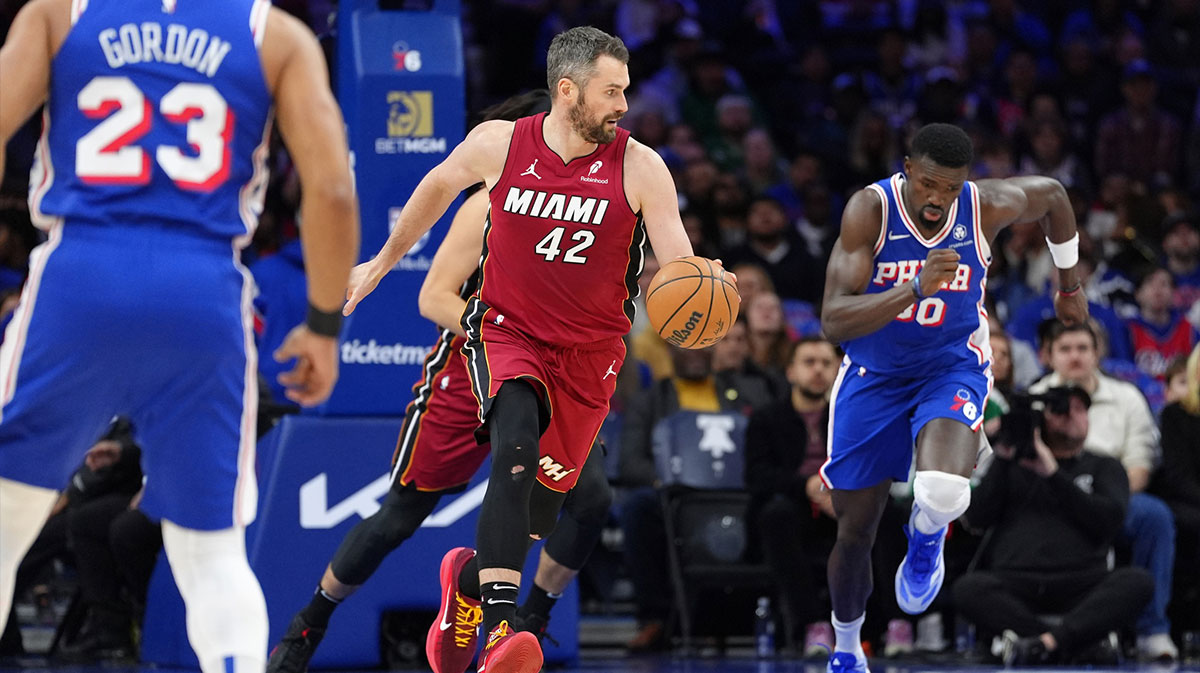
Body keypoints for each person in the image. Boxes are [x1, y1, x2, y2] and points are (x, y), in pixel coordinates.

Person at [0, 2, 359, 673]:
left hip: (80, 274)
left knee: (6, 519)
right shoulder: (275, 35)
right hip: (202, 288)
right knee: (210, 551)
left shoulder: (58, 13)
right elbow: (334, 191)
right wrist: (322, 328)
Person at [341, 26, 705, 673]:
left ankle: (467, 585)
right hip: (509, 332)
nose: (623, 105)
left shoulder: (642, 165)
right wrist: (381, 261)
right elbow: (436, 186)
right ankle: (504, 630)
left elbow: (677, 260)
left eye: (625, 90)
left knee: (541, 512)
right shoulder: (501, 144)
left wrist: (697, 298)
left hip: (588, 355)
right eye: (611, 91)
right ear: (568, 90)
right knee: (513, 445)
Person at [266, 90, 613, 673]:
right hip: (467, 367)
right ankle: (308, 624)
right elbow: (434, 298)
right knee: (400, 514)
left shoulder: (591, 203)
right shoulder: (486, 204)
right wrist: (511, 332)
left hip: (552, 371)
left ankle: (527, 617)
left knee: (591, 497)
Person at [819, 123, 1088, 673]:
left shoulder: (983, 207)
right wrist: (914, 288)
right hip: (874, 374)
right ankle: (846, 648)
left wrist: (1069, 285)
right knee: (855, 531)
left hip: (951, 366)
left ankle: (927, 538)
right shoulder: (870, 211)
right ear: (907, 171)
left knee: (942, 491)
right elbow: (833, 319)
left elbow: (1055, 197)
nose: (938, 198)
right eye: (928, 184)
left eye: (950, 187)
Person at [953, 387, 1153, 665]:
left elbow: (1109, 522)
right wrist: (1003, 456)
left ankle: (1038, 645)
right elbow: (975, 518)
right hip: (1017, 581)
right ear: (1041, 419)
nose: (1071, 416)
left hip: (1082, 582)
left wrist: (1053, 475)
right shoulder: (1012, 463)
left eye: (1080, 409)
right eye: (1060, 410)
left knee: (1138, 582)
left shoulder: (1104, 466)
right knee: (968, 588)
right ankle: (1067, 644)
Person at [1029, 321, 1179, 660]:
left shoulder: (1127, 398)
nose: (1075, 356)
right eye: (1065, 349)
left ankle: (1152, 630)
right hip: (1050, 496)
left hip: (1113, 495)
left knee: (1155, 516)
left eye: (1083, 348)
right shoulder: (1036, 397)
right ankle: (1023, 628)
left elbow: (1140, 466)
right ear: (1050, 356)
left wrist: (1105, 499)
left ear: (1097, 354)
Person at [617, 342, 772, 651]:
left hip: (735, 496)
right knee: (637, 507)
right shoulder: (650, 400)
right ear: (669, 352)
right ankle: (655, 618)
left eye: (704, 345)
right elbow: (631, 462)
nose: (696, 353)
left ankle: (766, 617)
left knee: (778, 508)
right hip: (679, 500)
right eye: (686, 346)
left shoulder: (743, 393)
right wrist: (666, 479)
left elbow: (764, 442)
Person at [744, 337, 838, 654]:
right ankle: (813, 624)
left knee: (887, 513)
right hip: (791, 509)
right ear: (791, 372)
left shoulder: (847, 418)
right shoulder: (766, 418)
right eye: (809, 362)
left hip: (839, 507)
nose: (818, 370)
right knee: (777, 515)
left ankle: (893, 624)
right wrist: (806, 486)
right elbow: (757, 476)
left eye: (826, 363)